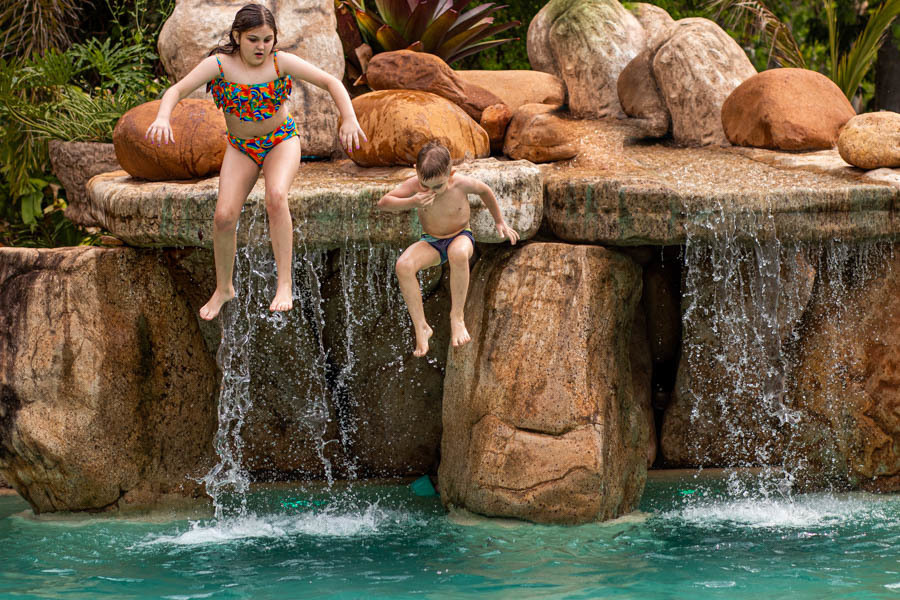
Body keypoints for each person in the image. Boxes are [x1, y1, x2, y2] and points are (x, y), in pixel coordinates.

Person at [145, 3, 366, 320]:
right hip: (241, 147)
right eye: (253, 40)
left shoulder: (280, 62)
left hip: (281, 140)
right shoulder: (219, 64)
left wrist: (349, 120)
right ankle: (224, 288)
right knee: (223, 216)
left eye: (267, 39)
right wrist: (163, 117)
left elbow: (331, 83)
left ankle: (285, 284)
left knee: (276, 197)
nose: (261, 47)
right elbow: (176, 90)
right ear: (237, 36)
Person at [377, 141, 519, 357]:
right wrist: (413, 201)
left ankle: (457, 316)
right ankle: (421, 326)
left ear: (450, 174)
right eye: (426, 185)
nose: (431, 191)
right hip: (432, 242)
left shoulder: (460, 183)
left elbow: (485, 191)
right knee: (403, 266)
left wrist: (499, 222)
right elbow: (384, 203)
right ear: (417, 172)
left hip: (460, 236)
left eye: (438, 186)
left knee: (458, 253)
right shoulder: (415, 186)